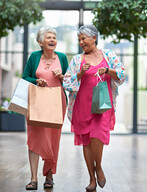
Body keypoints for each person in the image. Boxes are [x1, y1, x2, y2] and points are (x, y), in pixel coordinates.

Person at [63, 25, 126, 192]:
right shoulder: (77, 60)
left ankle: (98, 168)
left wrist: (108, 70)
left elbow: (122, 74)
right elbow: (67, 82)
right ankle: (92, 179)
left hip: (102, 104)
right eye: (79, 40)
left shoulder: (108, 55)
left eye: (84, 38)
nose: (81, 42)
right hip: (82, 106)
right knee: (86, 142)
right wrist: (80, 74)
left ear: (94, 38)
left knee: (97, 136)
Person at [22, 27, 68, 190]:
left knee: (52, 140)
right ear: (41, 42)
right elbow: (25, 76)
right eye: (48, 37)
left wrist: (62, 77)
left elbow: (69, 82)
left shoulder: (62, 57)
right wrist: (37, 81)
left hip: (57, 102)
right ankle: (33, 179)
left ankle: (49, 176)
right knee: (34, 138)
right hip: (37, 102)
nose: (52, 40)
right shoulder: (34, 57)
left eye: (54, 37)